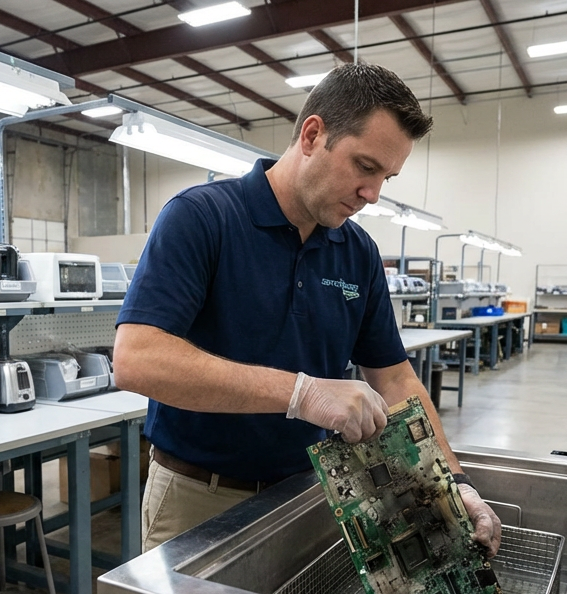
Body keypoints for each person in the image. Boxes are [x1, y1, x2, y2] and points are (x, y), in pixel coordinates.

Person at [113, 62, 501, 554]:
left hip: (310, 492)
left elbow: (395, 378)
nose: (373, 194)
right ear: (313, 134)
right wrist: (302, 393)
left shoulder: (356, 252)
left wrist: (454, 482)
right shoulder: (202, 218)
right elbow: (136, 359)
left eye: (387, 176)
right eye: (365, 167)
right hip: (198, 498)